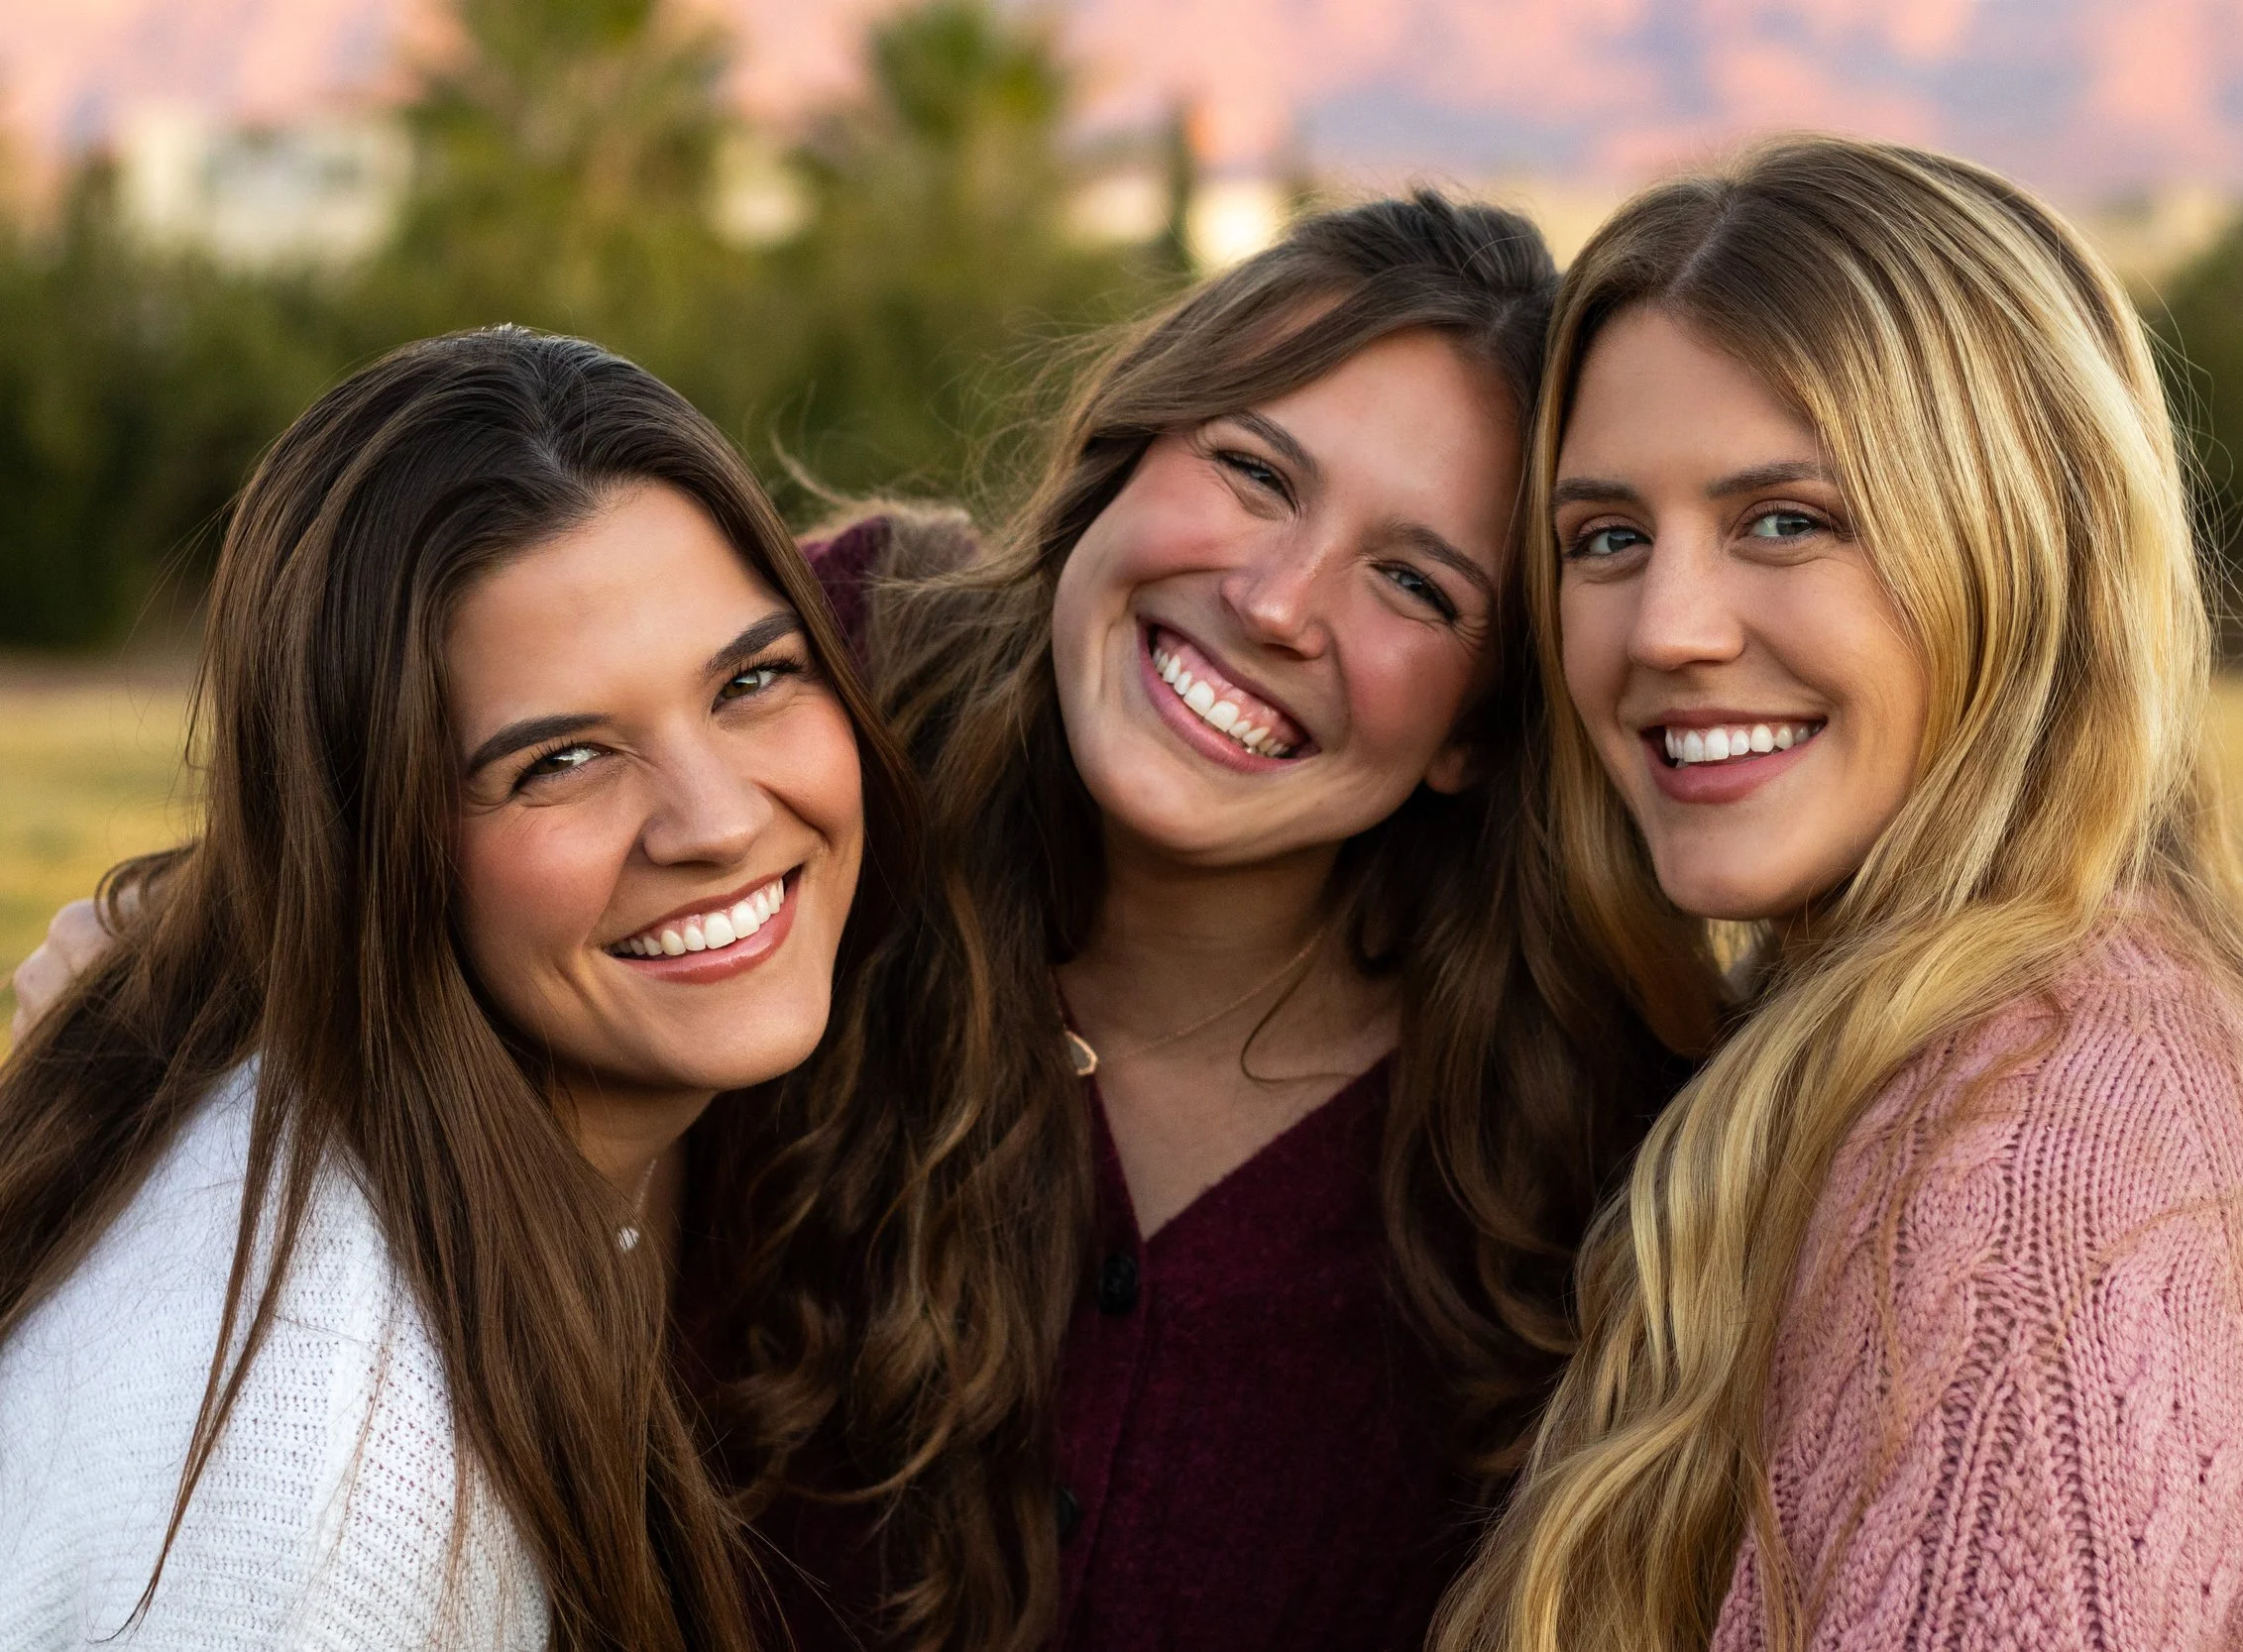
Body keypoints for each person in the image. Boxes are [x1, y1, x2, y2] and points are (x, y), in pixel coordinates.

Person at [1433, 137, 2243, 1652]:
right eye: (1606, 538)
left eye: (1787, 518)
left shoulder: (2029, 1175)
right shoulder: (2047, 1036)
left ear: (2023, 545)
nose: (1665, 627)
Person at [690, 192, 1713, 1652]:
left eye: (1415, 582)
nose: (1278, 600)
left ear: (1478, 732)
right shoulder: (812, 725)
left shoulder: (1592, 1161)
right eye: (1252, 471)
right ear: (1124, 459)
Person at [0, 327, 918, 1649]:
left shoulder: (512, 1161)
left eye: (753, 679)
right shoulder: (334, 1479)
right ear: (378, 847)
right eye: (562, 759)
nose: (715, 821)